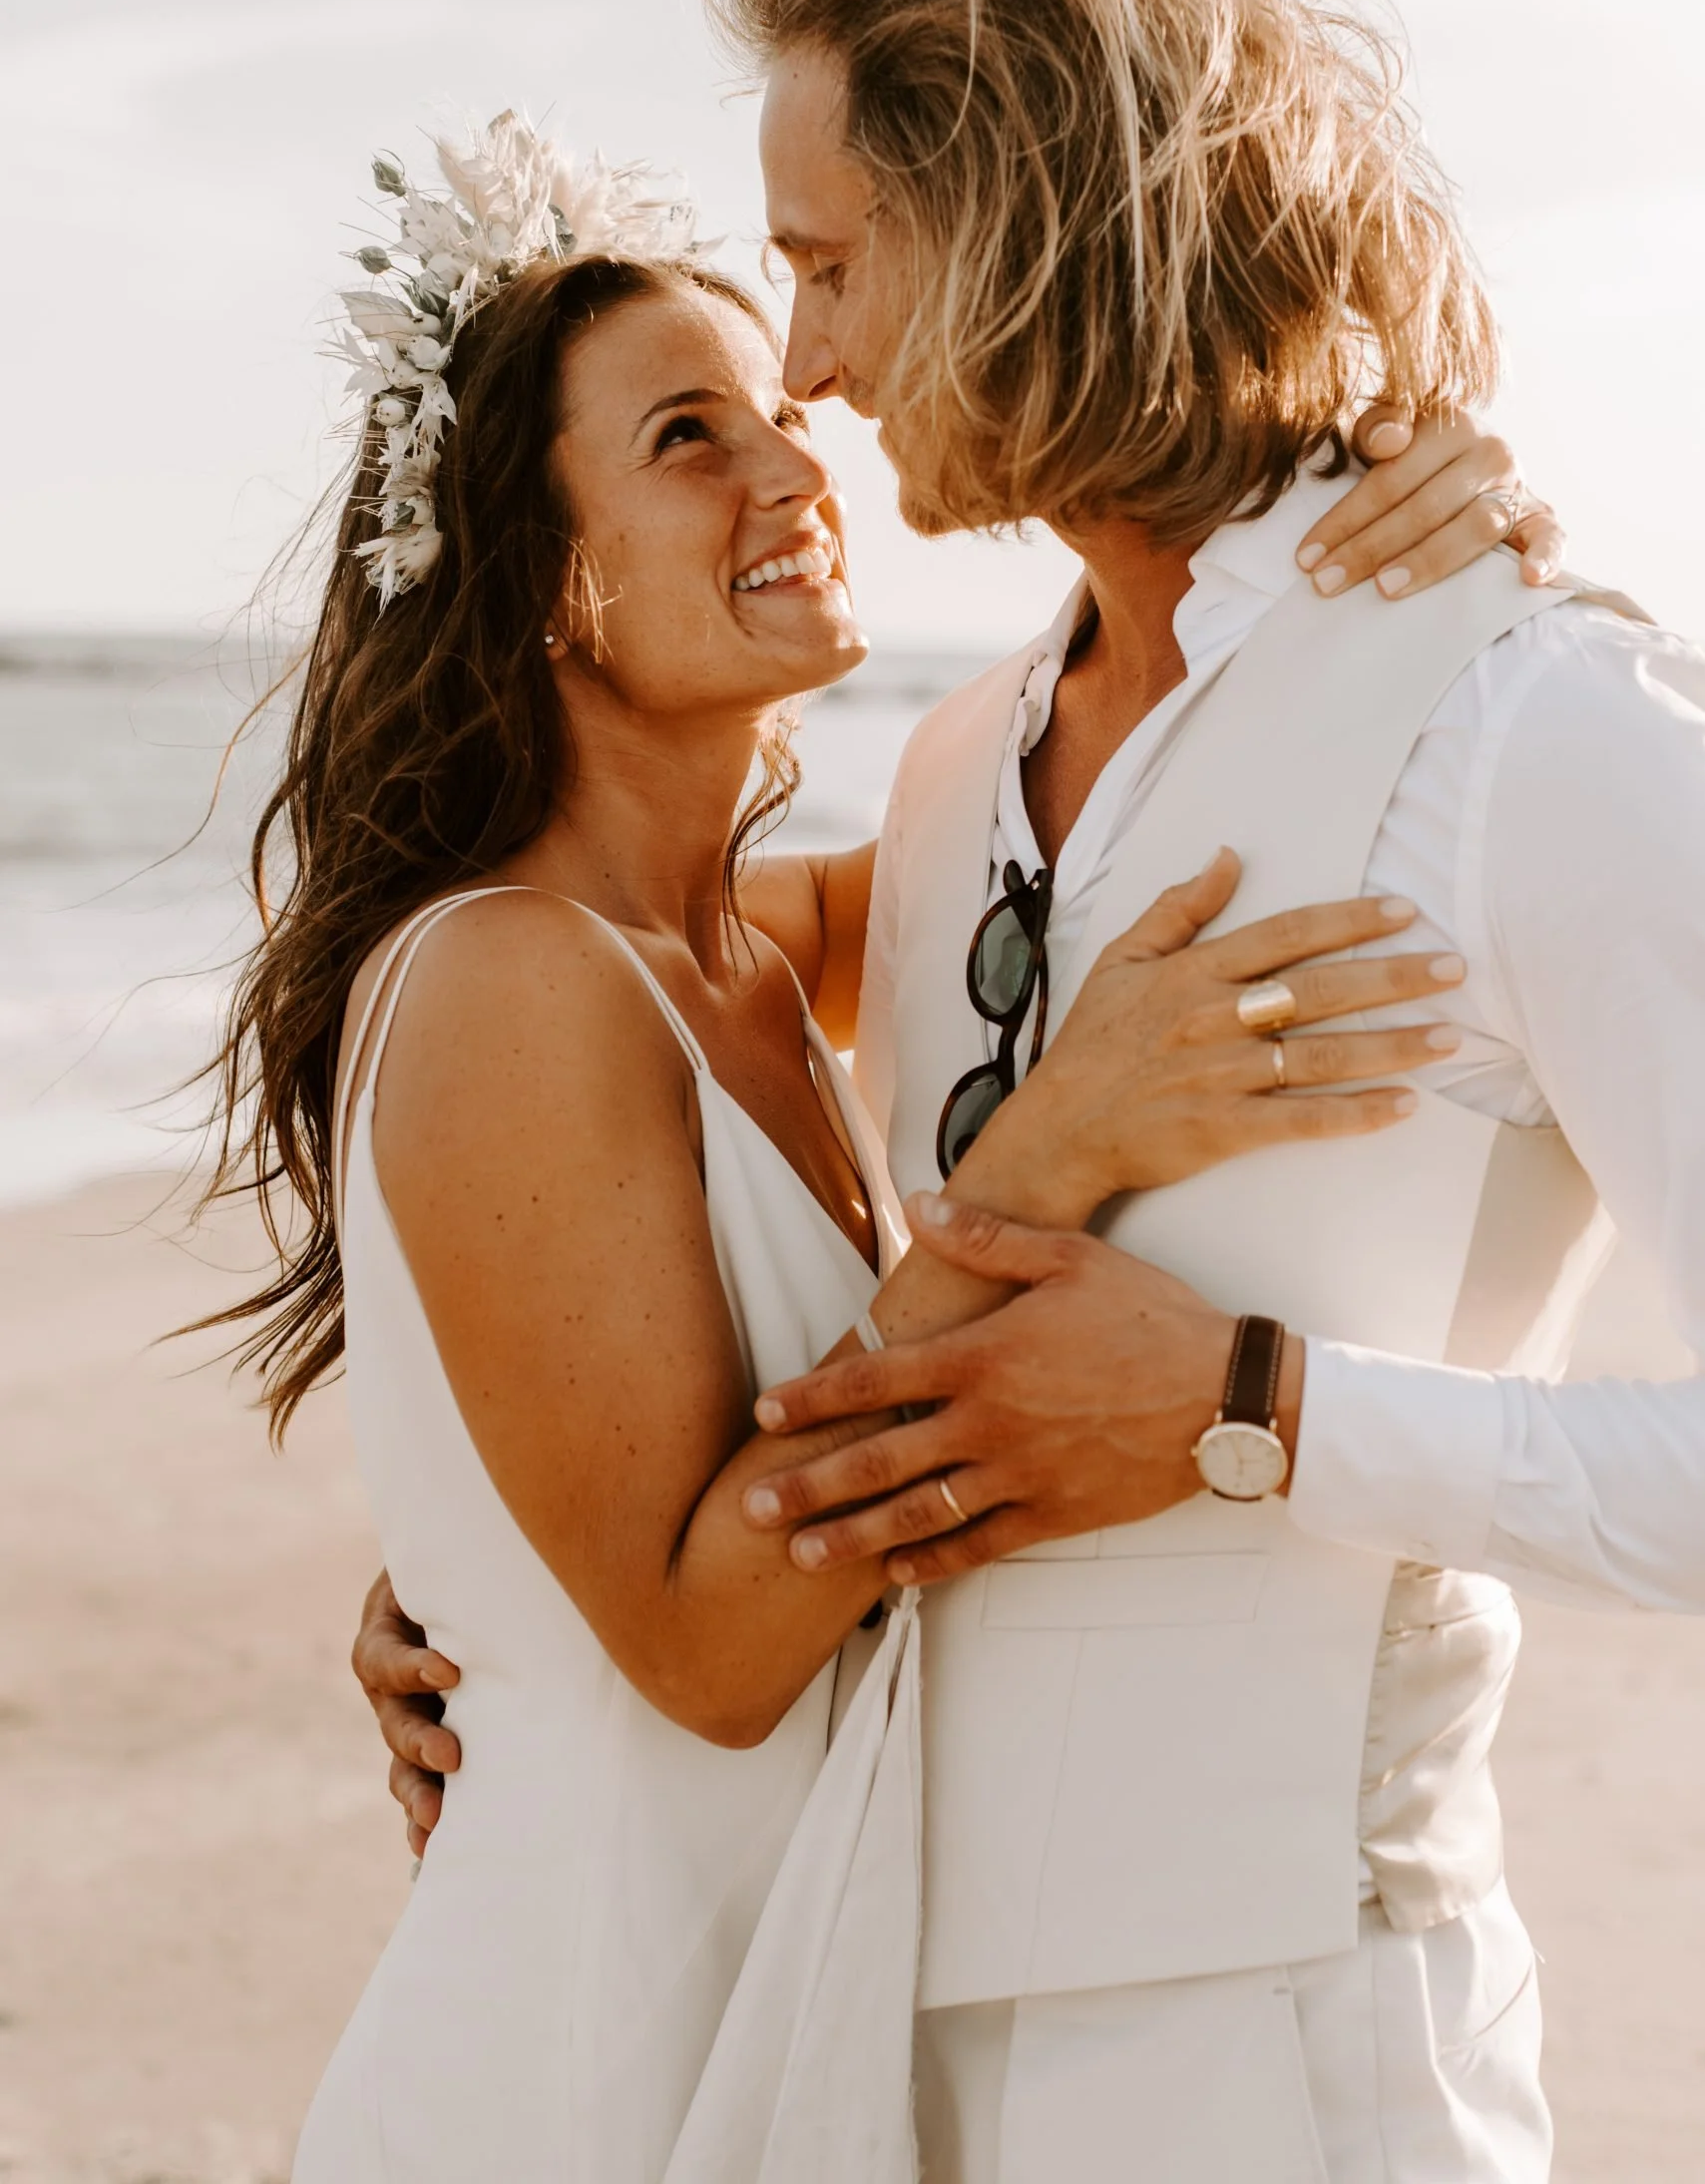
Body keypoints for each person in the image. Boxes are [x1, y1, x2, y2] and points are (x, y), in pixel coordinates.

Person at [353, 0, 1705, 2180]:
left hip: (1302, 2054)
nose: (820, 372)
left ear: (1021, 222)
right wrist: (492, 1553)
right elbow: (560, 1025)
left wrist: (1262, 1406)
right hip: (880, 2043)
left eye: (838, 268)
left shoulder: (1529, 723)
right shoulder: (962, 765)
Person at [203, 116, 1485, 2182]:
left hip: (792, 1984)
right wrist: (1041, 1159)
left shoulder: (749, 941)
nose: (794, 458)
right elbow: (708, 1645)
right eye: (688, 437)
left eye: (769, 408)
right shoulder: (511, 976)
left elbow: (1085, 798)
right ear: (537, 574)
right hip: (601, 2040)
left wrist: (1416, 492)